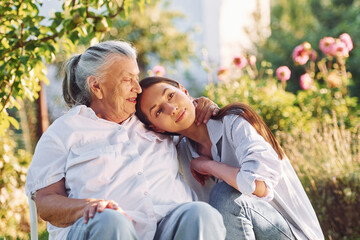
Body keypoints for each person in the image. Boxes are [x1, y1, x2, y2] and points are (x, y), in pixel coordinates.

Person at [25, 41, 226, 240]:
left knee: (201, 214)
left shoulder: (151, 117)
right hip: (102, 229)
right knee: (111, 221)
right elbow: (46, 203)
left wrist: (201, 106)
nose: (137, 88)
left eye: (136, 77)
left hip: (168, 227)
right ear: (96, 86)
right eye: (127, 80)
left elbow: (185, 117)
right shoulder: (64, 132)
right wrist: (87, 206)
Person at [135, 76, 325, 240]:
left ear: (183, 90)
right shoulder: (179, 151)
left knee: (225, 196)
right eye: (158, 111)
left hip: (292, 234)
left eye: (171, 95)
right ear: (157, 128)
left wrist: (209, 165)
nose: (171, 108)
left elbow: (258, 185)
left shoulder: (233, 122)